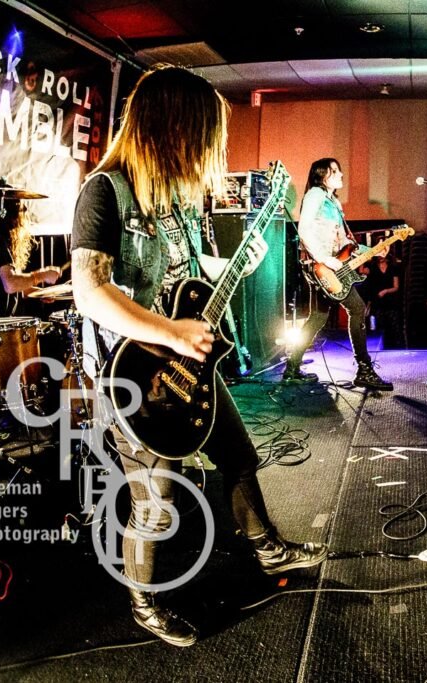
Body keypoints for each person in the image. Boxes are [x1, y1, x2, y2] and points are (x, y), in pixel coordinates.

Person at [70, 65, 327, 647]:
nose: (210, 151)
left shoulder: (177, 199)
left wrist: (237, 261)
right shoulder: (105, 192)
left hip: (187, 365)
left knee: (238, 454)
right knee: (156, 501)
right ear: (173, 129)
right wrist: (172, 333)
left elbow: (188, 271)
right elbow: (90, 290)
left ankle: (267, 548)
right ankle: (144, 602)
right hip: (132, 376)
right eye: (205, 135)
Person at [285, 158, 392, 390]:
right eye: (335, 171)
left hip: (331, 266)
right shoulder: (315, 195)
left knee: (317, 317)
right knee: (357, 308)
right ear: (323, 175)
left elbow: (345, 243)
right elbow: (303, 229)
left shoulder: (333, 202)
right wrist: (324, 259)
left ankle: (292, 369)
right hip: (323, 266)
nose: (341, 174)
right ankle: (364, 370)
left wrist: (373, 250)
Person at [0, 192, 63, 317]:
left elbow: (17, 288)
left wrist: (42, 293)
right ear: (13, 214)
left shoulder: (7, 242)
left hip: (8, 321)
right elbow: (10, 284)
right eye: (21, 209)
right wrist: (42, 275)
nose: (25, 212)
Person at [363, 254, 402, 348]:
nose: (381, 256)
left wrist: (385, 291)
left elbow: (396, 287)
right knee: (380, 327)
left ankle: (394, 347)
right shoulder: (373, 268)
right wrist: (363, 256)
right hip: (377, 302)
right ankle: (382, 347)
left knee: (393, 326)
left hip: (391, 301)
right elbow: (361, 271)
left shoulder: (392, 268)